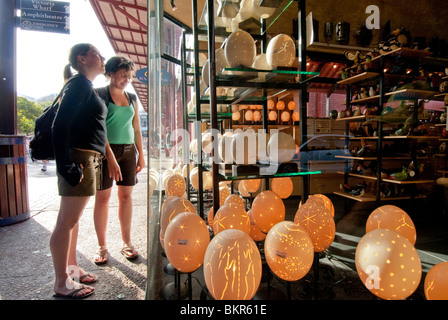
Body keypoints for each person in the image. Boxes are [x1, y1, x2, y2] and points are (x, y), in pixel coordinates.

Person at [50, 43, 107, 299]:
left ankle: (70, 269)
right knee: (66, 222)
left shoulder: (84, 86)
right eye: (97, 54)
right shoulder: (79, 84)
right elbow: (59, 126)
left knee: (72, 221)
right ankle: (61, 282)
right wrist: (67, 166)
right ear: (82, 59)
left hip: (87, 157)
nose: (102, 58)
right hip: (80, 158)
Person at [93, 56, 145, 265]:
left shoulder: (132, 98)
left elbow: (136, 129)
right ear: (110, 73)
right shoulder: (99, 95)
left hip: (127, 151)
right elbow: (99, 129)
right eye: (122, 75)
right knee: (103, 198)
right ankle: (102, 246)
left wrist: (141, 154)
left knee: (126, 197)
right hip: (105, 152)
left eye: (129, 76)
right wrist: (110, 156)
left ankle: (127, 242)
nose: (126, 79)